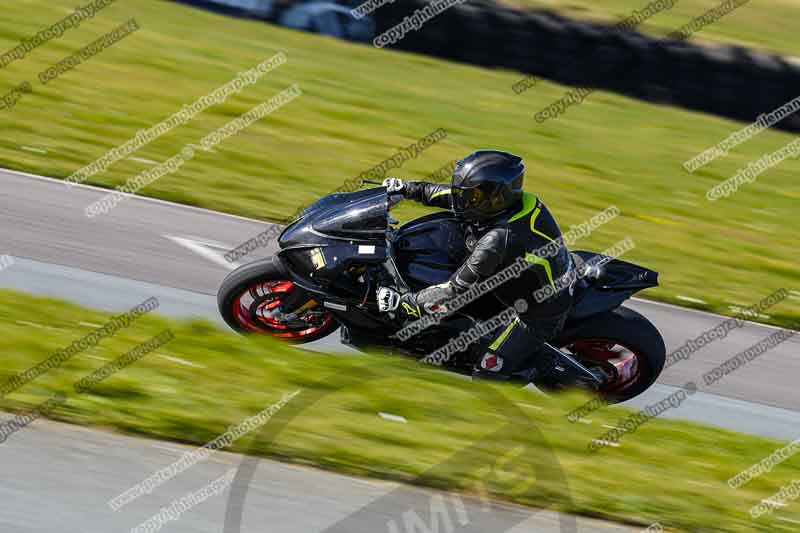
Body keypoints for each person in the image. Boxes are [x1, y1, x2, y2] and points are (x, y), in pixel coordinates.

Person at [376, 150, 575, 380]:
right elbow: (447, 195)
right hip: (523, 280)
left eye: (473, 196)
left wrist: (405, 303)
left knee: (486, 373)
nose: (464, 200)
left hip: (538, 313)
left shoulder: (498, 239)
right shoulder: (515, 202)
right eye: (467, 193)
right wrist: (405, 189)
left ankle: (529, 368)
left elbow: (454, 290)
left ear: (497, 197)